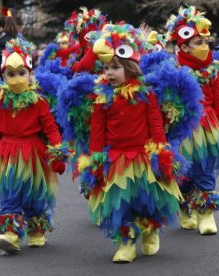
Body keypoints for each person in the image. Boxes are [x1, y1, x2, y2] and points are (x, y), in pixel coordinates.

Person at [78, 23, 183, 263]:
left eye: (115, 67)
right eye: (105, 68)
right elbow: (98, 130)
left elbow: (155, 124)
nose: (109, 73)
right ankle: (125, 242)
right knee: (120, 205)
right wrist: (95, 158)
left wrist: (161, 151)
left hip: (143, 156)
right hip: (116, 159)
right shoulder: (102, 97)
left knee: (147, 201)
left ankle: (149, 231)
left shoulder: (145, 93)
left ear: (131, 67)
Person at [0, 36, 67, 255]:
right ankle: (10, 234)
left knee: (34, 195)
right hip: (7, 155)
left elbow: (50, 128)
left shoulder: (38, 102)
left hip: (33, 154)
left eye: (21, 73)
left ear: (30, 73)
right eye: (10, 74)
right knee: (10, 193)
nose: (16, 79)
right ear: (3, 75)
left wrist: (57, 151)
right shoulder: (0, 102)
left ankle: (36, 229)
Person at [165, 5, 219, 235]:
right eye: (198, 43)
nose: (203, 47)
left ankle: (205, 213)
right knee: (186, 171)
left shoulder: (212, 70)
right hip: (183, 125)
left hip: (209, 125)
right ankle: (185, 206)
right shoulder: (173, 69)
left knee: (207, 167)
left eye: (205, 42)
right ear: (183, 45)